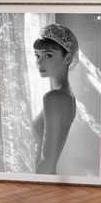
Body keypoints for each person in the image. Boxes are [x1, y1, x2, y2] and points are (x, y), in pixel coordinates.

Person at [32, 24, 79, 174]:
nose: (40, 62)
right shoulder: (65, 95)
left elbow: (47, 162)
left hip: (42, 179)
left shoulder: (54, 98)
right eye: (37, 55)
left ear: (68, 58)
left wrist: (32, 187)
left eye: (48, 55)